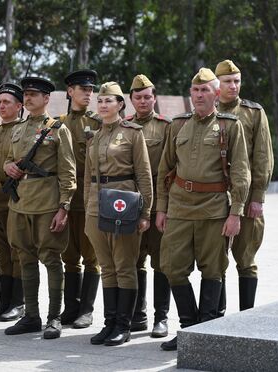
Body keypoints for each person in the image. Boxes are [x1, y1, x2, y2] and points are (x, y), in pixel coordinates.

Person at [156, 68, 250, 351]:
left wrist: (236, 213)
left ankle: (206, 331)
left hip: (213, 210)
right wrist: (161, 208)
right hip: (180, 208)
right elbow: (165, 169)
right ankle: (189, 327)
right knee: (172, 267)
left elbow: (241, 174)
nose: (199, 95)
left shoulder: (230, 126)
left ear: (216, 94)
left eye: (204, 90)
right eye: (195, 91)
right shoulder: (178, 125)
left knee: (213, 269)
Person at [3, 76, 77, 339]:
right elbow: (9, 160)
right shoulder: (17, 128)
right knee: (25, 259)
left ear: (47, 98)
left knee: (51, 259)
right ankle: (31, 316)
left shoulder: (58, 128)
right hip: (21, 202)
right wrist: (7, 167)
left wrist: (64, 207)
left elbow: (68, 171)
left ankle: (54, 317)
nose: (29, 98)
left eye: (35, 94)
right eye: (26, 94)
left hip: (47, 202)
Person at [84, 82, 153, 346]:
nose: (102, 105)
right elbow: (88, 177)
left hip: (124, 203)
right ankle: (109, 322)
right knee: (107, 267)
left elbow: (144, 175)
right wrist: (88, 209)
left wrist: (145, 212)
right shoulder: (95, 135)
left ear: (120, 104)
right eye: (100, 101)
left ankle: (124, 325)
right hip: (96, 204)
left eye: (108, 101)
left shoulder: (133, 133)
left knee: (125, 266)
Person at [215, 59, 274, 313]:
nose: (233, 86)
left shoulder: (254, 112)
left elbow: (263, 156)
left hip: (247, 195)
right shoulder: (208, 112)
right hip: (214, 197)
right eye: (228, 81)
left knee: (246, 259)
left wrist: (258, 197)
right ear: (217, 85)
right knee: (215, 260)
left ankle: (246, 317)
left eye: (237, 81)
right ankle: (218, 317)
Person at [126, 74, 172, 337]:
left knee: (161, 262)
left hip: (156, 204)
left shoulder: (165, 127)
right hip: (129, 203)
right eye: (138, 97)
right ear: (131, 99)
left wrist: (165, 207)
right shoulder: (124, 125)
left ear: (154, 98)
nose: (143, 101)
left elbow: (169, 169)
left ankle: (161, 318)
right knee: (133, 260)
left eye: (147, 96)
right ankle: (137, 315)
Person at [57, 69, 102, 329]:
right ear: (70, 91)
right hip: (65, 198)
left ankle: (86, 310)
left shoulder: (98, 123)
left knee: (91, 256)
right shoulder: (58, 122)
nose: (88, 93)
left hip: (89, 199)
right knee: (69, 255)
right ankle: (70, 308)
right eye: (83, 89)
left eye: (90, 90)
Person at [0, 83, 25, 322]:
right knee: (2, 254)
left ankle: (18, 303)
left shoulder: (23, 131)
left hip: (16, 198)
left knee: (17, 250)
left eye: (7, 102)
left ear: (19, 106)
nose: (1, 106)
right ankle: (4, 300)